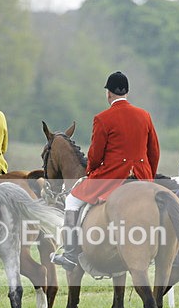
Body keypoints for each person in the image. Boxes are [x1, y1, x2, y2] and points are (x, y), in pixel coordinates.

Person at [51, 71, 160, 271]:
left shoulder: (103, 118)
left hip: (112, 178)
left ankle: (70, 253)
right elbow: (154, 152)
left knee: (71, 201)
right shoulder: (145, 116)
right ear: (127, 92)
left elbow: (95, 155)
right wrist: (148, 178)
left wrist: (91, 172)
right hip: (142, 176)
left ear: (108, 94)